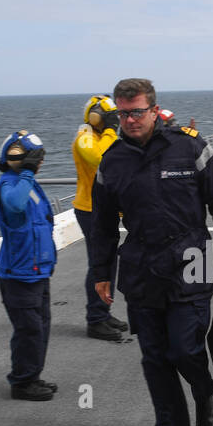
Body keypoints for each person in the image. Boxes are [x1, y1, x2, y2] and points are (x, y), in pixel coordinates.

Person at [89, 77, 213, 426]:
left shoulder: (190, 147)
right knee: (154, 356)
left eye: (137, 112)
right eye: (123, 113)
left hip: (190, 261)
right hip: (142, 267)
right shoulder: (112, 161)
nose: (130, 120)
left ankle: (203, 391)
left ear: (154, 110)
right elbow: (104, 225)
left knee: (185, 347)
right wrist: (101, 271)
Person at [0, 131, 58, 401]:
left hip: (36, 271)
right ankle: (21, 382)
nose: (39, 164)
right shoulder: (10, 184)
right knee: (28, 329)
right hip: (18, 274)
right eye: (35, 159)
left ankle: (32, 375)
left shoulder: (26, 182)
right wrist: (28, 172)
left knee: (40, 326)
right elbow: (16, 205)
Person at [73, 95, 128, 340]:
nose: (115, 122)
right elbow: (99, 158)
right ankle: (95, 320)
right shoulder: (84, 137)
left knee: (109, 263)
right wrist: (110, 132)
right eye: (111, 118)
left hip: (105, 209)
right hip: (89, 209)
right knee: (99, 265)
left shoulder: (102, 137)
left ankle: (103, 312)